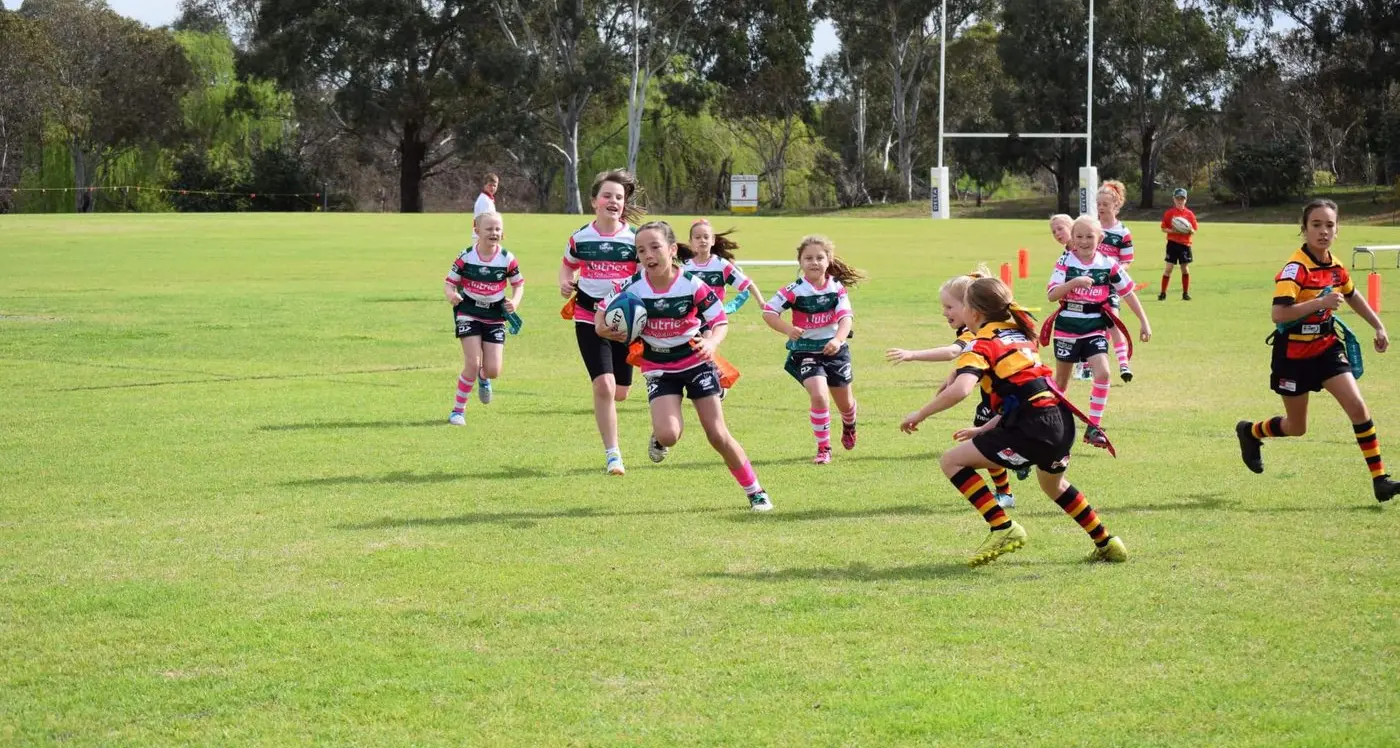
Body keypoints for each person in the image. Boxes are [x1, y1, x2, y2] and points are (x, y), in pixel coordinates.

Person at [899, 276, 1128, 567]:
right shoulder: (1020, 333)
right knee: (1053, 486)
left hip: (1033, 427)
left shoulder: (982, 343)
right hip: (1059, 420)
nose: (950, 313)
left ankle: (1002, 527)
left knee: (951, 461)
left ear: (975, 313)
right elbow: (1022, 390)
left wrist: (919, 414)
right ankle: (1107, 542)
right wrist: (984, 428)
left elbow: (961, 389)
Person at [597, 221, 773, 511]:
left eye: (655, 247)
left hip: (695, 360)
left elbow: (719, 320)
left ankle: (755, 491)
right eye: (641, 250)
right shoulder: (631, 286)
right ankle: (660, 434)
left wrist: (712, 343)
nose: (648, 255)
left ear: (672, 249)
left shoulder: (691, 283)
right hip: (658, 365)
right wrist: (606, 331)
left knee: (717, 434)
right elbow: (600, 316)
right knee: (668, 435)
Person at [1235, 199, 1398, 503]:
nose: (1323, 231)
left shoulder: (1336, 267)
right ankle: (1250, 432)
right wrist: (1319, 303)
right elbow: (1279, 314)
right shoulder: (1295, 269)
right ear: (1304, 229)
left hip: (1326, 348)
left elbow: (1352, 294)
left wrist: (1378, 325)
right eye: (1316, 225)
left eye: (1330, 225)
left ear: (1337, 230)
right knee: (1297, 427)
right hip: (1293, 356)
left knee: (1359, 408)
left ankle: (1380, 480)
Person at [886, 267, 1020, 508]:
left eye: (950, 307)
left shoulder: (974, 333)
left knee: (983, 444)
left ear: (970, 308)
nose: (944, 312)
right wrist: (953, 376)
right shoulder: (980, 329)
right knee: (986, 439)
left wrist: (912, 354)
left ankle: (1013, 471)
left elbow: (952, 352)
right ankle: (1006, 490)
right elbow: (970, 362)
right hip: (995, 397)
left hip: (1005, 400)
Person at [559, 169, 644, 476]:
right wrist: (566, 283)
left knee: (621, 391)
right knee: (604, 386)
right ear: (594, 201)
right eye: (607, 196)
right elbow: (567, 265)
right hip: (587, 317)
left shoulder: (635, 240)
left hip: (625, 322)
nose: (613, 201)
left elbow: (646, 276)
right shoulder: (580, 238)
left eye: (619, 198)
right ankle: (613, 454)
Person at [1044, 215, 1152, 448]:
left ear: (1100, 238)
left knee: (1103, 373)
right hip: (1067, 328)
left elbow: (1128, 293)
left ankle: (1094, 427)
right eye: (1079, 236)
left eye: (1089, 236)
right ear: (1073, 238)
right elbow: (1052, 294)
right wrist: (1073, 283)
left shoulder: (1107, 264)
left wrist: (1144, 321)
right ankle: (1047, 424)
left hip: (1094, 326)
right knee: (1060, 384)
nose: (1084, 241)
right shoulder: (1065, 261)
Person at [762, 236, 865, 464]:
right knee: (819, 396)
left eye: (819, 257)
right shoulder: (794, 290)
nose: (814, 262)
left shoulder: (837, 288)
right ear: (800, 261)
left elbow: (846, 318)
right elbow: (769, 312)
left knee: (845, 403)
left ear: (828, 260)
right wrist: (788, 329)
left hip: (834, 351)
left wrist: (838, 340)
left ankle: (849, 424)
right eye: (808, 258)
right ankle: (823, 447)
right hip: (806, 352)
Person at [443, 212, 523, 423]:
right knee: (472, 362)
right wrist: (451, 294)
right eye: (488, 229)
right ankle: (458, 411)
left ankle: (484, 376)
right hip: (468, 312)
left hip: (495, 315)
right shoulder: (466, 256)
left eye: (497, 229)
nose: (494, 233)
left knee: (493, 370)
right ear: (477, 231)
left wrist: (514, 302)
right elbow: (450, 282)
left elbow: (518, 284)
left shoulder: (507, 259)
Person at [1097, 180, 1136, 381]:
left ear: (1116, 205)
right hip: (1090, 287)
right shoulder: (1092, 227)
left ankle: (1123, 364)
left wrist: (1115, 270)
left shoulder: (1123, 232)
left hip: (1110, 285)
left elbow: (1127, 261)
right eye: (1099, 204)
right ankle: (1088, 365)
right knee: (1094, 326)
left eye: (1105, 204)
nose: (1101, 208)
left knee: (1113, 321)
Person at [680, 219, 763, 314]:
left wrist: (761, 302)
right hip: (692, 319)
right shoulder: (685, 267)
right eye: (697, 237)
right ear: (691, 242)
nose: (702, 240)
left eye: (706, 237)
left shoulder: (721, 265)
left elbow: (747, 284)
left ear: (713, 241)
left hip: (714, 319)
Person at [1159, 187, 1198, 301]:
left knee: (1185, 269)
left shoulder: (1189, 214)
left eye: (1182, 198)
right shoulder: (1169, 213)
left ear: (1185, 200)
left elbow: (1194, 229)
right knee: (1168, 268)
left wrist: (1189, 231)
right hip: (1172, 244)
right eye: (1178, 198)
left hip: (1185, 245)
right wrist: (1174, 231)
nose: (1180, 201)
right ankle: (1163, 293)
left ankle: (1185, 293)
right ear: (1174, 199)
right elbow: (1163, 228)